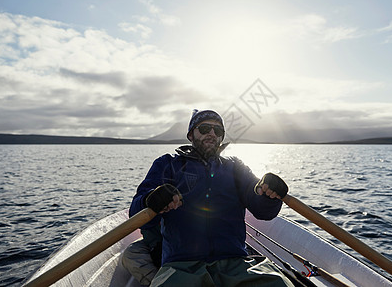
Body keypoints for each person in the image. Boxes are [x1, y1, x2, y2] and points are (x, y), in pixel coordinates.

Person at [124, 109, 293, 286]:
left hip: (236, 264)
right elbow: (137, 214)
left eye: (218, 130)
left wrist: (270, 195)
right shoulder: (168, 164)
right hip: (182, 267)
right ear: (191, 134)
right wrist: (151, 199)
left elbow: (262, 209)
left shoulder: (236, 168)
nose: (212, 134)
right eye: (205, 128)